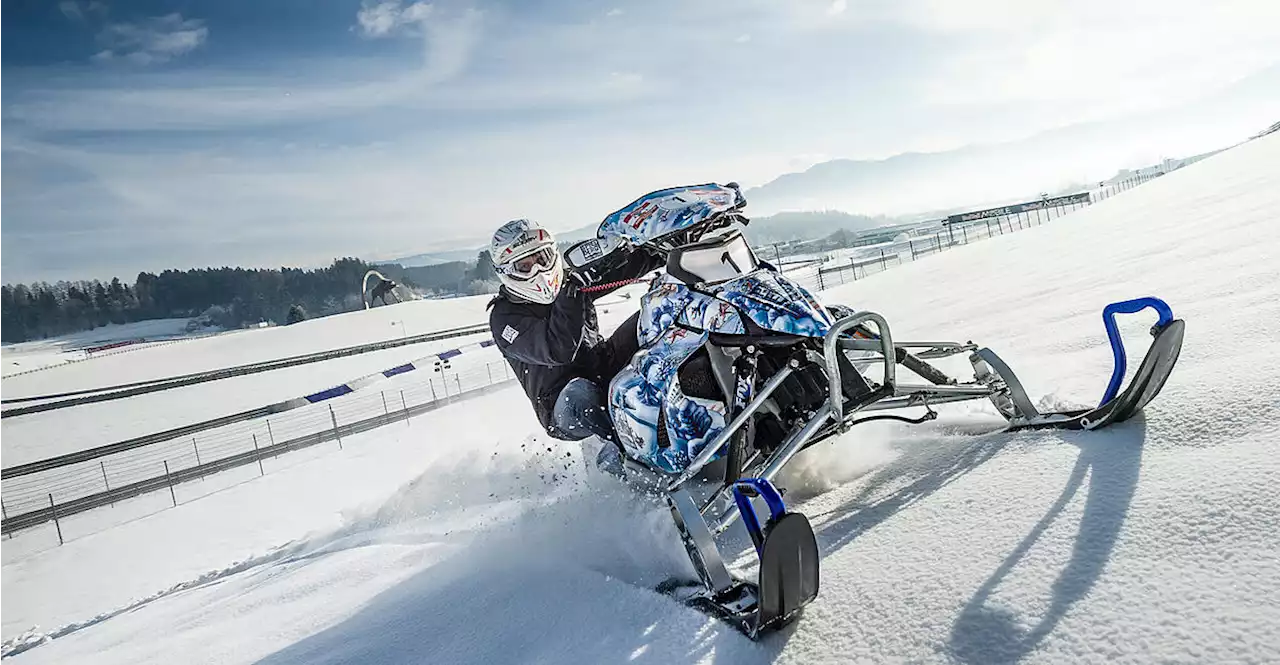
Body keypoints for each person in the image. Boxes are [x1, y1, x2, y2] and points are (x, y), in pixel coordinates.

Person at [486, 218, 663, 471]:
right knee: (579, 393)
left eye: (542, 259)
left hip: (601, 366)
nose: (538, 272)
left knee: (654, 315)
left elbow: (619, 271)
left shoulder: (568, 283)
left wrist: (658, 252)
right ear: (507, 272)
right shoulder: (505, 318)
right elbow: (558, 348)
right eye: (524, 267)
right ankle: (633, 461)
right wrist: (570, 293)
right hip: (560, 405)